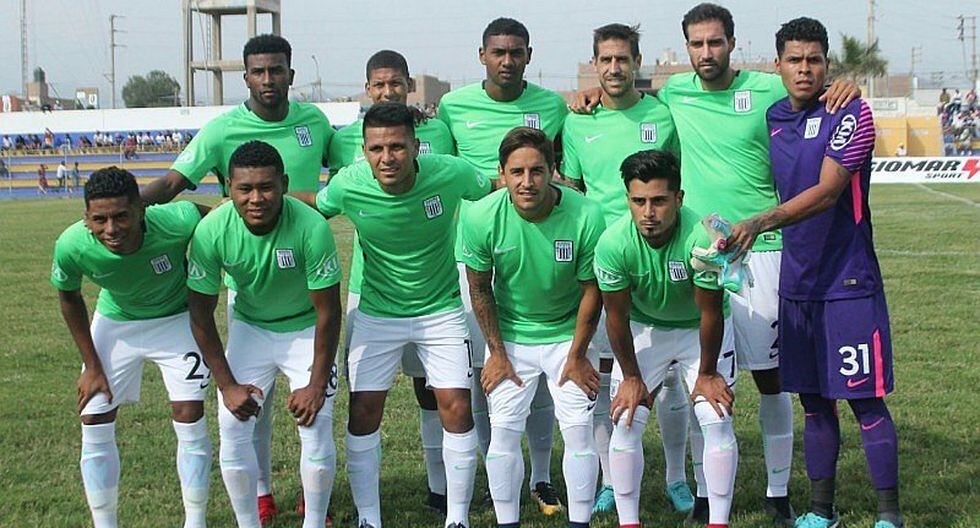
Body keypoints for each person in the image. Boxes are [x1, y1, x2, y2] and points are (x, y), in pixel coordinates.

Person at [572, 5, 860, 523]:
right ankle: (705, 493)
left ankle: (777, 491)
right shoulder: (674, 95)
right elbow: (626, 98)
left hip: (763, 251)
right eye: (697, 44)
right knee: (702, 386)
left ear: (732, 42)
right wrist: (595, 91)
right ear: (686, 48)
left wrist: (844, 87)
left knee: (771, 379)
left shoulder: (766, 88)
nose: (707, 53)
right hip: (698, 252)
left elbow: (810, 89)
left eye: (715, 42)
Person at [142, 33, 335, 523]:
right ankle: (261, 494)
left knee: (314, 414)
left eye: (276, 70)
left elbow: (358, 157)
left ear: (291, 74)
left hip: (304, 279)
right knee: (249, 411)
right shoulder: (221, 131)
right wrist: (122, 206)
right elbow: (173, 182)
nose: (268, 79)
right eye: (258, 71)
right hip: (248, 294)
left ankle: (313, 502)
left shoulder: (315, 122)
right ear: (245, 77)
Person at [726, 18, 901, 528]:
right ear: (777, 65)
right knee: (814, 404)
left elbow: (827, 193)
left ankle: (889, 515)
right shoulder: (774, 115)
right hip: (797, 284)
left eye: (814, 60)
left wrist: (760, 222)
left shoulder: (851, 112)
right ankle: (821, 510)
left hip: (848, 283)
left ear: (827, 65)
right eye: (794, 60)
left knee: (865, 401)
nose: (804, 69)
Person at [315, 102, 490, 528]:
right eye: (376, 148)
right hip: (377, 313)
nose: (387, 157)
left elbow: (492, 192)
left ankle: (457, 518)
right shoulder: (348, 183)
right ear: (364, 150)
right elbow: (313, 208)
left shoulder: (451, 172)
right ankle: (369, 519)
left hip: (441, 310)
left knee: (456, 407)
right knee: (363, 411)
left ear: (415, 146)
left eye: (396, 146)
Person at [560, 22, 693, 515]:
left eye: (623, 59)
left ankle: (677, 477)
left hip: (657, 257)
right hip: (604, 263)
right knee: (602, 378)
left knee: (673, 378)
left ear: (637, 62)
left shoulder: (661, 115)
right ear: (594, 64)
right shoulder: (576, 121)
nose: (614, 67)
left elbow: (673, 184)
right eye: (606, 59)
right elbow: (573, 191)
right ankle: (610, 479)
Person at [437, 17, 568, 514]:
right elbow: (443, 173)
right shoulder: (452, 107)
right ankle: (498, 476)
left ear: (529, 55)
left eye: (516, 52)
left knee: (539, 365)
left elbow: (564, 169)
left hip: (540, 245)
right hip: (477, 253)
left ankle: (541, 476)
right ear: (482, 55)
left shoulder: (553, 106)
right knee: (486, 369)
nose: (507, 60)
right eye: (498, 52)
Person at [186, 140, 343, 528]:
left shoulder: (311, 227)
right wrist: (227, 386)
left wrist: (316, 384)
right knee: (232, 423)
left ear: (284, 184)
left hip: (305, 328)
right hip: (251, 328)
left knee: (316, 421)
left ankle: (314, 522)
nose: (256, 198)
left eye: (266, 187)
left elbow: (328, 311)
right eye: (244, 189)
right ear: (229, 188)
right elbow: (200, 315)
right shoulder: (211, 231)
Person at [326, 48, 455, 514]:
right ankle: (356, 503)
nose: (387, 91)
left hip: (432, 286)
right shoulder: (342, 140)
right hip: (369, 289)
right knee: (365, 397)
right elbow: (325, 199)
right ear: (367, 89)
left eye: (395, 83)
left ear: (408, 85)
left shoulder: (439, 131)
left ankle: (440, 487)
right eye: (378, 85)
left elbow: (463, 186)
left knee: (431, 390)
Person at [51, 167, 212, 528]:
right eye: (99, 220)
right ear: (86, 218)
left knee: (189, 412)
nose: (111, 229)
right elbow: (69, 298)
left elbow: (216, 220)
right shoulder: (71, 244)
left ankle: (196, 521)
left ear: (141, 209)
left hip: (175, 320)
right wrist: (92, 365)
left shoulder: (175, 220)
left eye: (121, 216)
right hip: (116, 322)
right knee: (93, 416)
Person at [462, 127, 604, 528]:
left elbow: (592, 290)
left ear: (553, 170)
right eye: (517, 172)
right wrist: (497, 353)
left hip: (569, 335)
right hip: (511, 336)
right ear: (501, 173)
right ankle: (507, 522)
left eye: (537, 171)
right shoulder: (480, 216)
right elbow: (479, 287)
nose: (527, 182)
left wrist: (577, 355)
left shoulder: (587, 214)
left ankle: (580, 522)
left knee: (578, 432)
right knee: (503, 434)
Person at [595, 150, 738, 528]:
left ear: (679, 198)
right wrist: (630, 377)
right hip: (647, 328)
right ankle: (629, 522)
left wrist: (707, 374)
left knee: (715, 416)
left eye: (659, 201)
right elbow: (617, 317)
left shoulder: (702, 238)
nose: (648, 212)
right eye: (638, 201)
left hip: (699, 330)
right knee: (626, 418)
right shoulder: (612, 243)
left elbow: (710, 312)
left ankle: (718, 522)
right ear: (627, 199)